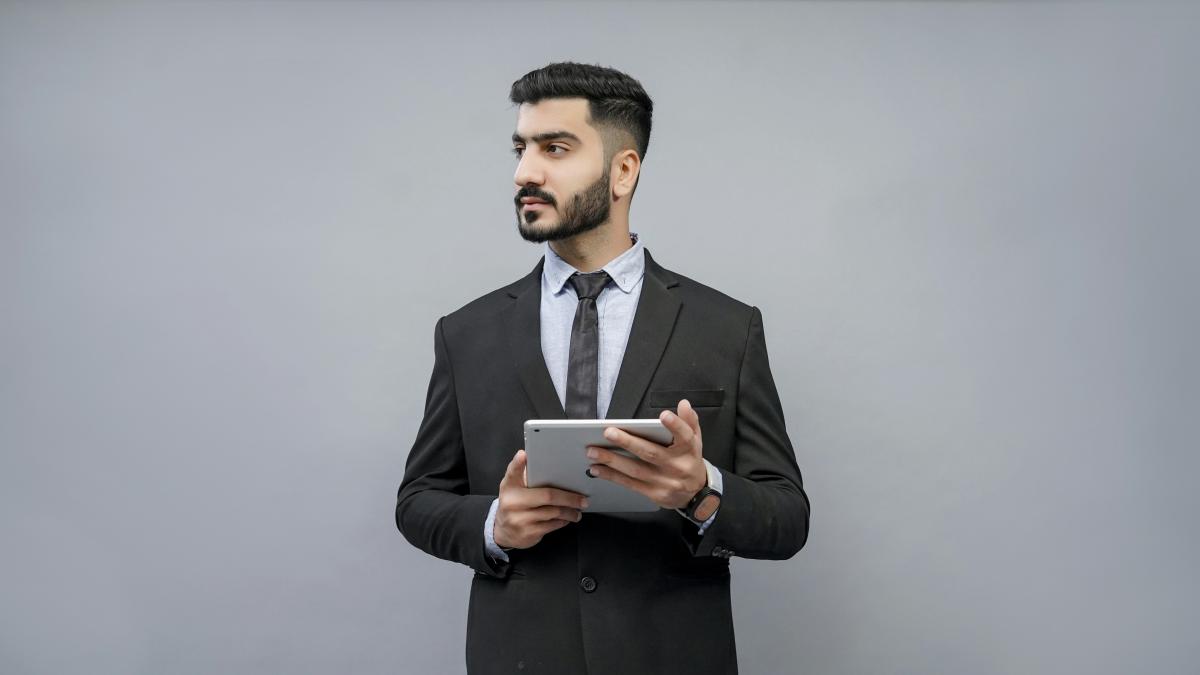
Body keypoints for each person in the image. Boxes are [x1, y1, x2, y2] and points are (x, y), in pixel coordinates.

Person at [395, 62, 809, 675]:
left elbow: (788, 518)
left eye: (554, 148)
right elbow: (418, 500)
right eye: (520, 148)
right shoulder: (466, 332)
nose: (524, 172)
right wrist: (493, 524)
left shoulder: (727, 327)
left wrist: (700, 490)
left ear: (623, 170)